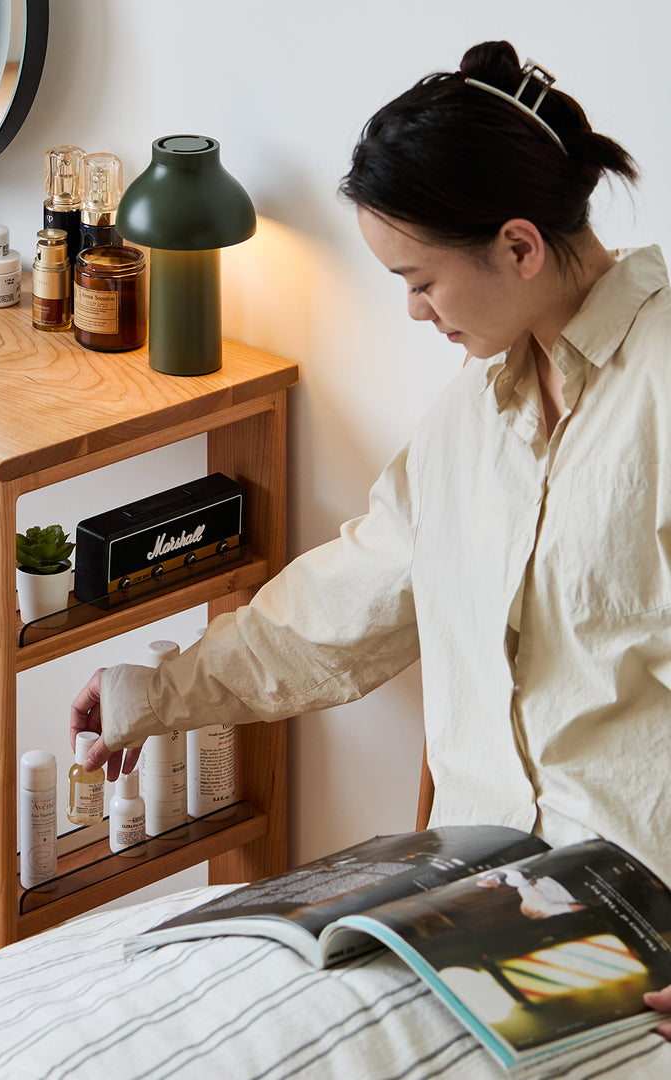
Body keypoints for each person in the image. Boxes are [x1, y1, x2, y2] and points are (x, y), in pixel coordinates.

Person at [71, 40, 671, 1042]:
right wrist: (156, 695)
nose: (411, 309)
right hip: (482, 894)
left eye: (422, 279)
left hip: (640, 917)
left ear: (520, 246)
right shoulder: (469, 425)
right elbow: (339, 614)